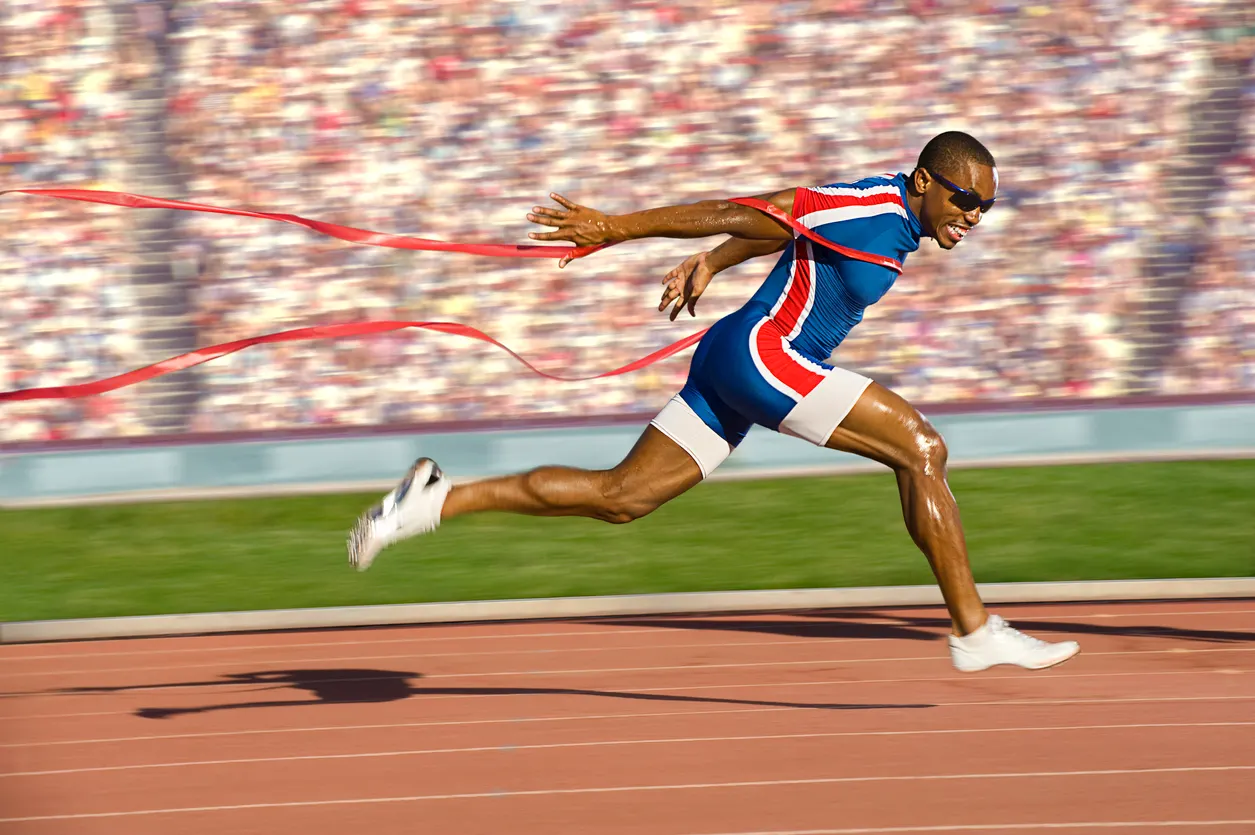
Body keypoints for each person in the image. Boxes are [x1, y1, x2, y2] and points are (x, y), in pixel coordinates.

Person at [346, 131, 1080, 673]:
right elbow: (751, 207)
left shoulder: (896, 220)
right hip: (764, 355)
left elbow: (773, 231)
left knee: (619, 496)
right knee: (921, 448)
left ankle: (430, 501)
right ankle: (974, 628)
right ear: (924, 180)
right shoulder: (875, 209)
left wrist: (710, 260)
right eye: (965, 198)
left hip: (739, 357)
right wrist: (615, 228)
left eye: (986, 205)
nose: (975, 215)